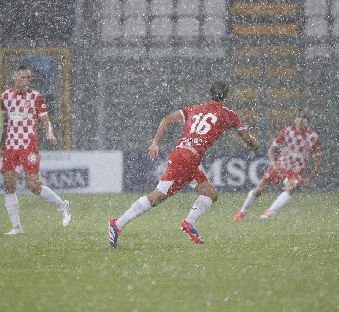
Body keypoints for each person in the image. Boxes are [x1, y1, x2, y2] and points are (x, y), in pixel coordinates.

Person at [108, 81, 259, 248]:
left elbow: (166, 120)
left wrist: (155, 143)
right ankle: (117, 224)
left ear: (209, 95)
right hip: (186, 160)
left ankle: (189, 223)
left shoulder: (193, 109)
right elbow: (247, 138)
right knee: (156, 197)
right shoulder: (229, 114)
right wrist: (253, 144)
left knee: (211, 194)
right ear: (226, 98)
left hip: (185, 157)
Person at [0, 65, 71, 235]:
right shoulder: (5, 97)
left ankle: (62, 205)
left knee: (33, 185)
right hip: (11, 146)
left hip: (28, 145)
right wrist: (2, 143)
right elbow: (5, 121)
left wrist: (49, 132)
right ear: (14, 77)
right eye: (23, 77)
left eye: (28, 78)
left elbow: (45, 119)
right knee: (9, 185)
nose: (26, 81)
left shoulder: (35, 97)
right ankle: (17, 227)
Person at [234, 109, 322, 221]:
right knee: (259, 190)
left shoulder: (313, 137)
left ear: (307, 122)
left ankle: (270, 211)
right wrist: (274, 164)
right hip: (281, 166)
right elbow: (271, 150)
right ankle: (242, 211)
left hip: (296, 170)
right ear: (295, 121)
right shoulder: (287, 131)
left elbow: (319, 159)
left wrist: (310, 177)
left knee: (291, 188)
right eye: (298, 121)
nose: (300, 124)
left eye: (303, 121)